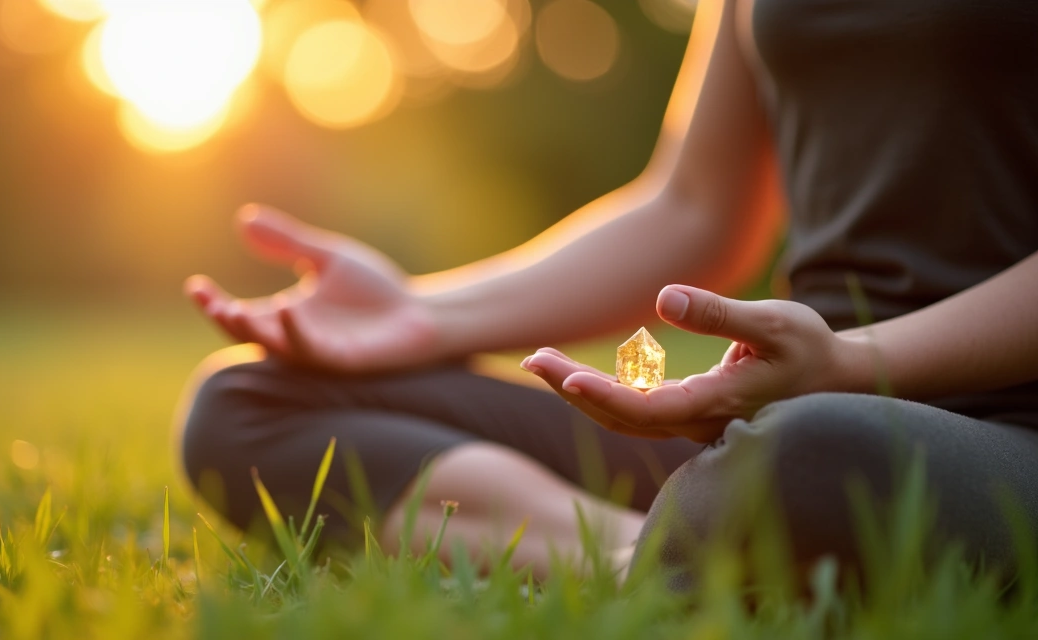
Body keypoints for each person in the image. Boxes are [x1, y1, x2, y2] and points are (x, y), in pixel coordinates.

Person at [176, 0, 1038, 584]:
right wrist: (420, 312)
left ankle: (714, 524)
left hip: (982, 432)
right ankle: (648, 551)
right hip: (781, 406)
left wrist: (852, 365)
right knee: (249, 400)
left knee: (816, 455)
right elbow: (693, 206)